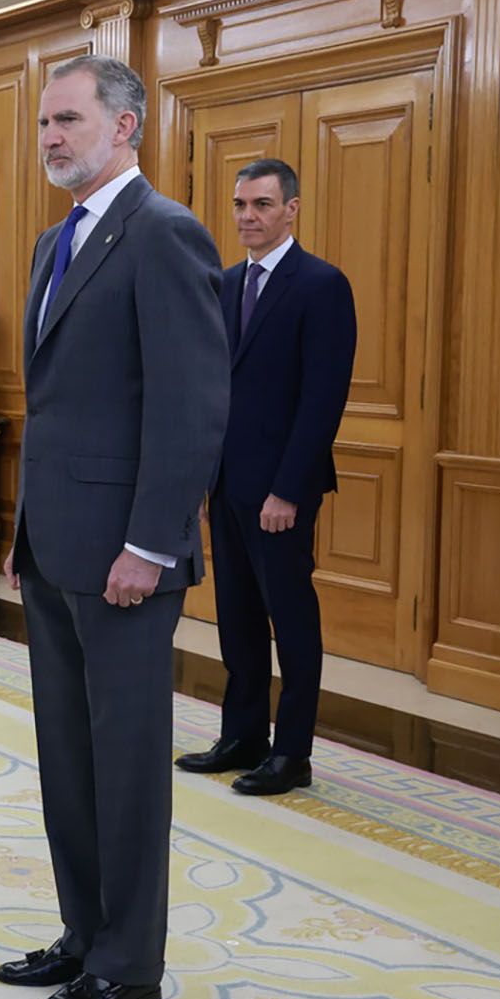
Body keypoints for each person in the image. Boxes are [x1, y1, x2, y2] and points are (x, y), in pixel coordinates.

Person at [0, 55, 229, 999]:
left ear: (125, 126)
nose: (50, 137)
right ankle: (84, 932)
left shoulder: (164, 233)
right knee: (68, 754)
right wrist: (21, 529)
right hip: (56, 546)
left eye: (68, 120)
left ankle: (131, 961)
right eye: (44, 123)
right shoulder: (57, 241)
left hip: (127, 557)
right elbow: (55, 403)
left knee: (126, 762)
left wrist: (152, 544)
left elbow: (191, 407)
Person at [176, 159, 356, 796]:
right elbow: (213, 390)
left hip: (282, 490)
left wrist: (287, 488)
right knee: (238, 619)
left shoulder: (321, 285)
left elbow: (322, 399)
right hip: (226, 485)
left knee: (291, 620)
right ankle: (242, 735)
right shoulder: (223, 284)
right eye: (239, 205)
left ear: (292, 209)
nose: (247, 216)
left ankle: (292, 754)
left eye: (260, 204)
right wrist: (203, 477)